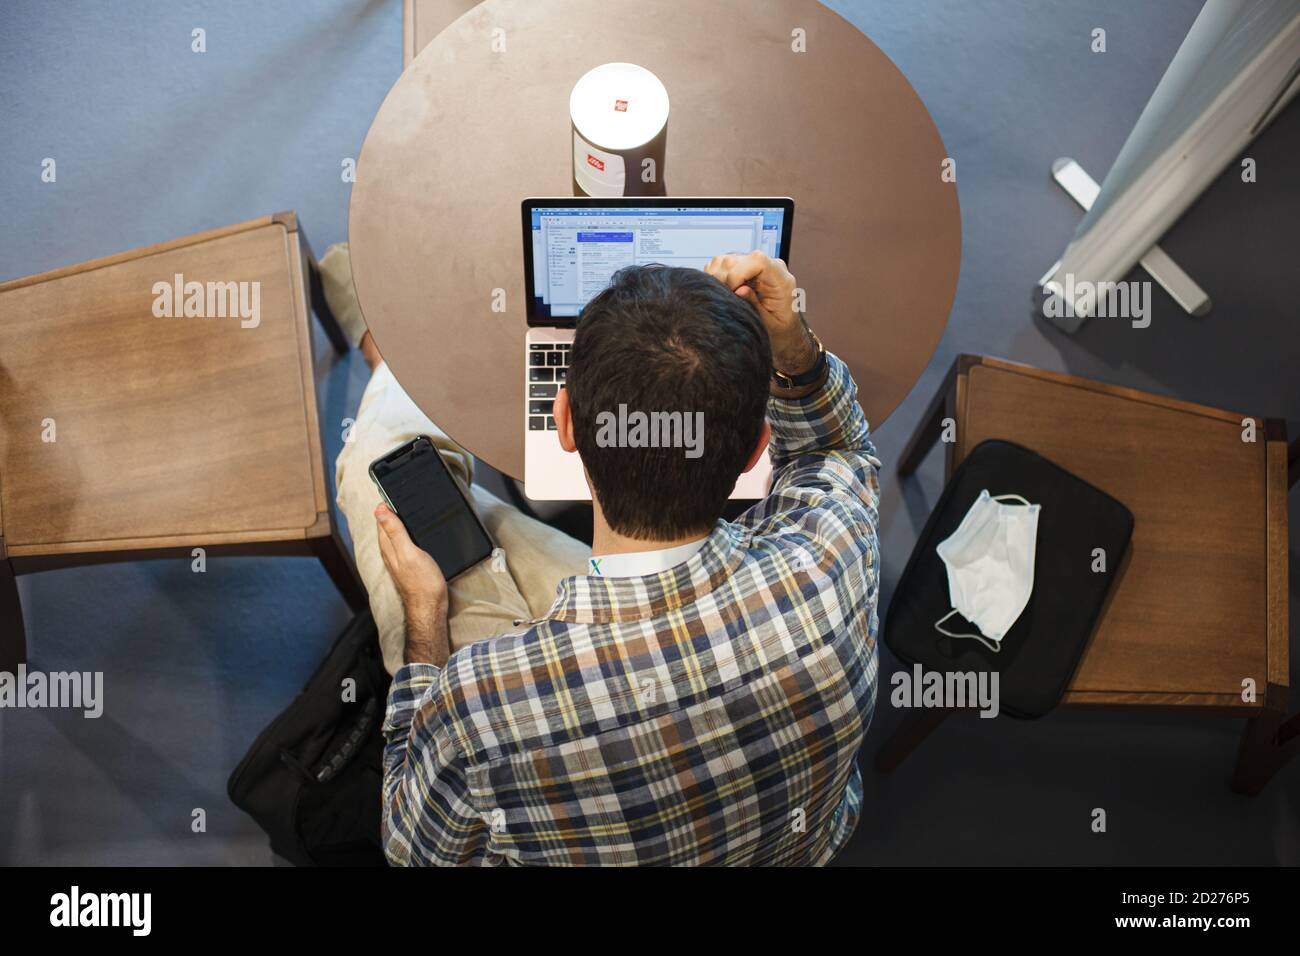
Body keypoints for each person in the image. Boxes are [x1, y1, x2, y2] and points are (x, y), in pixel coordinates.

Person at [324, 245, 881, 865]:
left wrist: (424, 632)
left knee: (376, 461)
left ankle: (385, 351)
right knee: (480, 524)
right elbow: (840, 453)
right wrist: (796, 349)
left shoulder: (477, 703)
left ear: (564, 423)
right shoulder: (833, 560)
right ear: (756, 450)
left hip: (541, 678)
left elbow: (410, 849)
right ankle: (386, 354)